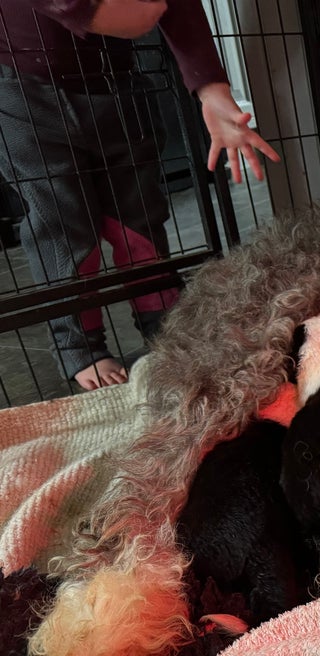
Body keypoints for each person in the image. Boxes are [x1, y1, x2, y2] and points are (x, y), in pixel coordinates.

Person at [0, 0, 280, 390]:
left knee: (138, 221)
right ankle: (79, 349)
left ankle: (165, 324)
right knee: (63, 228)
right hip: (24, 89)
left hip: (117, 81)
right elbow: (133, 15)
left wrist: (212, 90)